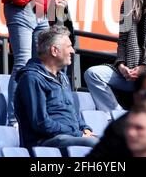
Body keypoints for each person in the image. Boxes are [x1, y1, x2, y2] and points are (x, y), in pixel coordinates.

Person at [14, 25, 98, 155]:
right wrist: (78, 133)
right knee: (96, 145)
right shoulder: (31, 78)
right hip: (44, 142)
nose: (73, 51)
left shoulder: (62, 77)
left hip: (69, 136)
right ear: (54, 50)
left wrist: (84, 128)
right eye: (69, 46)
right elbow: (41, 123)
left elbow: (72, 113)